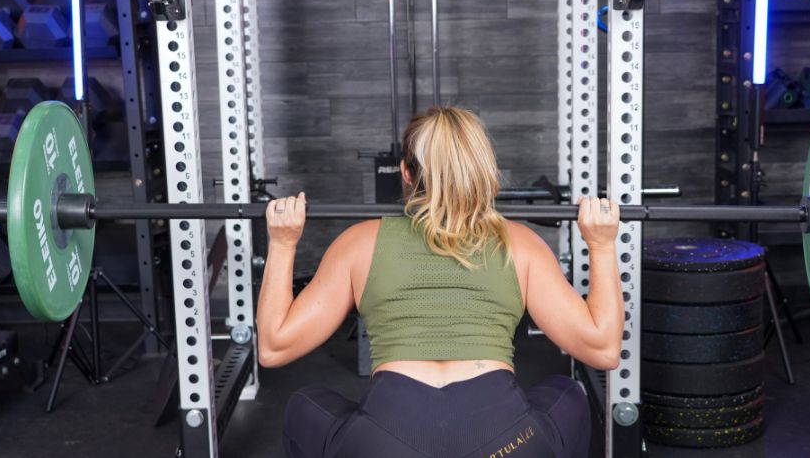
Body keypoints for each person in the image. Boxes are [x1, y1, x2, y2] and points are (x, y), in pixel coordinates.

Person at [256, 106, 624, 458]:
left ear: (405, 172)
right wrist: (602, 245)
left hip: (384, 443)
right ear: (482, 170)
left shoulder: (359, 242)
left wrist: (283, 243)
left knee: (304, 407)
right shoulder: (521, 244)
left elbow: (274, 347)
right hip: (506, 443)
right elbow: (603, 350)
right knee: (567, 394)